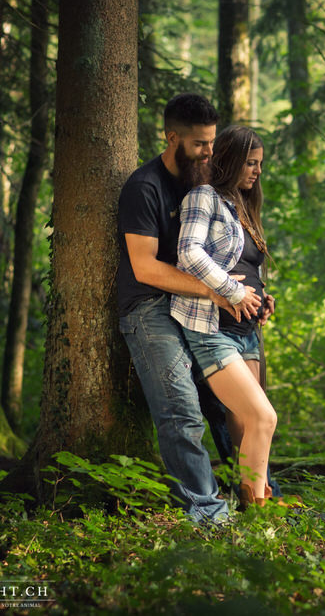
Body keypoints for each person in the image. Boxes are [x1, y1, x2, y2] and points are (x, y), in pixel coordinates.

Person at [116, 94, 261, 523]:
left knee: (228, 404)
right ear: (172, 137)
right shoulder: (145, 187)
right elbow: (145, 268)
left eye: (212, 142)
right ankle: (210, 514)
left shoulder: (205, 185)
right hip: (150, 309)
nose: (209, 152)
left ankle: (252, 494)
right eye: (200, 144)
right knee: (181, 409)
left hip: (199, 308)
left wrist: (252, 294)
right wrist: (215, 291)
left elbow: (227, 252)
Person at [171, 125, 279, 508]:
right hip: (213, 330)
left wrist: (262, 299)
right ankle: (258, 515)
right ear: (230, 161)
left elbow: (248, 267)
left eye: (260, 164)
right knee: (264, 419)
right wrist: (233, 291)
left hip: (247, 332)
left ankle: (250, 504)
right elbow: (189, 252)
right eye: (251, 163)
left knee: (249, 426)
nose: (257, 171)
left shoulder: (244, 207)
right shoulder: (205, 198)